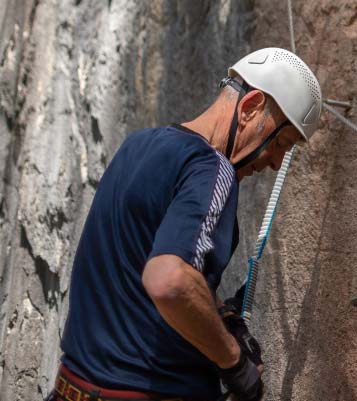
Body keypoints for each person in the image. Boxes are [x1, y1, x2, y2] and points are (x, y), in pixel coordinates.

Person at [44, 47, 322, 401]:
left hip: (70, 388)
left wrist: (217, 318)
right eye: (281, 143)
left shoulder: (137, 145)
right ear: (251, 107)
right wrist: (236, 364)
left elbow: (135, 279)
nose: (275, 162)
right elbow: (170, 281)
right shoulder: (212, 168)